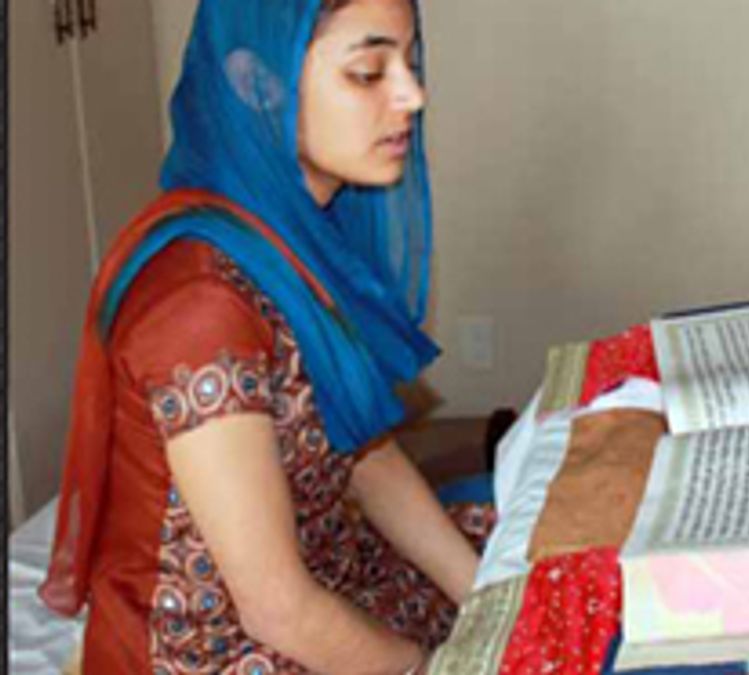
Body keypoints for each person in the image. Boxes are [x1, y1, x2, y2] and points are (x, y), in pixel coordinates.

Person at [39, 0, 492, 672]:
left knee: (550, 561)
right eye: (368, 71)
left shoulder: (297, 230)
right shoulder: (199, 303)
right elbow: (277, 608)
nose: (412, 94)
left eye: (411, 63)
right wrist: (433, 666)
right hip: (219, 649)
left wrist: (488, 596)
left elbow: (364, 449)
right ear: (257, 83)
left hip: (326, 567)